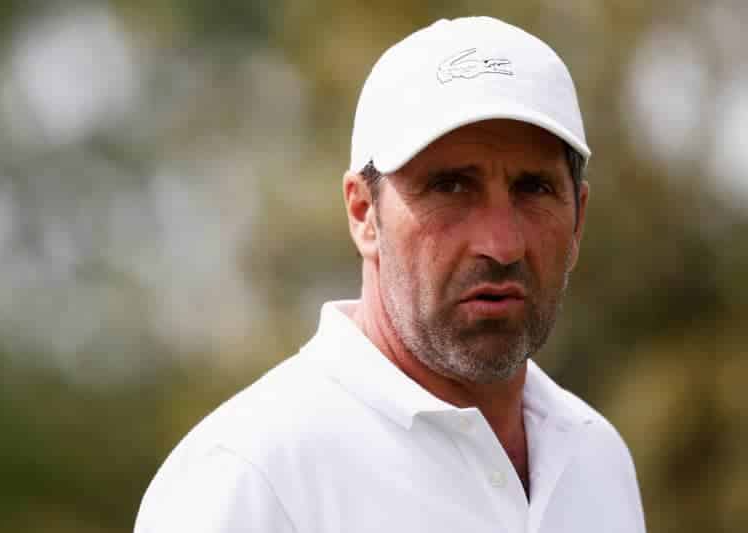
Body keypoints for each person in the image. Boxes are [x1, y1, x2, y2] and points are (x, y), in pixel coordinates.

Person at [135, 16, 645, 533]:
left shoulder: (596, 458)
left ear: (578, 217)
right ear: (363, 213)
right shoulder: (245, 478)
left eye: (533, 188)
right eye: (450, 187)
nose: (501, 244)